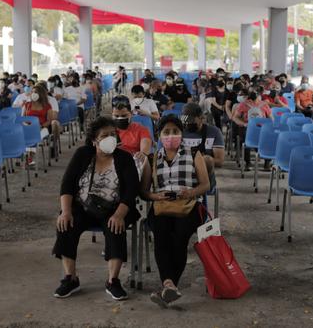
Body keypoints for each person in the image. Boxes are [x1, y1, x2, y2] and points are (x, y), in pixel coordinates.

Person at [52, 117, 139, 301]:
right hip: (84, 207)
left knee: (116, 228)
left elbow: (131, 191)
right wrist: (66, 211)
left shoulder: (124, 158)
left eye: (113, 135)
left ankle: (112, 281)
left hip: (115, 208)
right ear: (94, 141)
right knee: (66, 224)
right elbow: (67, 184)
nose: (110, 138)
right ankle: (70, 278)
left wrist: (119, 214)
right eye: (105, 135)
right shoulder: (83, 154)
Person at [139, 114, 210, 307]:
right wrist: (157, 196)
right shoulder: (153, 158)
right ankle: (169, 286)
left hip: (188, 206)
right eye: (166, 132)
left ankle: (168, 284)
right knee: (161, 236)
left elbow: (205, 185)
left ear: (182, 134)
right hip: (162, 206)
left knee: (179, 237)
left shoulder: (194, 153)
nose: (171, 135)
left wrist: (190, 192)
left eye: (175, 132)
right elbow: (144, 192)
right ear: (159, 136)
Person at [181, 103, 224, 188]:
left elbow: (219, 161)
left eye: (191, 121)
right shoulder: (178, 132)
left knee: (207, 159)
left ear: (201, 118)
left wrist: (199, 161)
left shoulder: (214, 132)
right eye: (186, 121)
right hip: (182, 173)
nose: (188, 124)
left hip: (205, 175)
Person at [232, 88, 272, 170]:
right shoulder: (243, 105)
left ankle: (266, 162)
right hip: (249, 128)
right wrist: (243, 124)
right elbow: (235, 117)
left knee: (269, 138)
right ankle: (248, 162)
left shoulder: (264, 105)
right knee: (246, 138)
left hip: (261, 129)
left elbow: (271, 119)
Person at [111, 95, 152, 175]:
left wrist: (142, 153)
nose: (120, 118)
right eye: (116, 116)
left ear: (131, 114)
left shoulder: (141, 129)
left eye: (124, 116)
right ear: (112, 115)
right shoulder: (108, 131)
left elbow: (144, 151)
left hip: (133, 165)